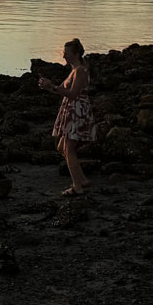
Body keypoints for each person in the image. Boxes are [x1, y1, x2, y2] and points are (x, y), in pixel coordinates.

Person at [40, 38, 96, 196]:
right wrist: (49, 87)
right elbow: (63, 91)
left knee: (68, 148)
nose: (64, 56)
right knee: (61, 147)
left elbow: (73, 94)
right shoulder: (75, 69)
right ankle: (82, 179)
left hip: (77, 111)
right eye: (64, 53)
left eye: (66, 53)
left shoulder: (80, 70)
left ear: (76, 54)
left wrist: (52, 86)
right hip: (71, 109)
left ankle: (77, 186)